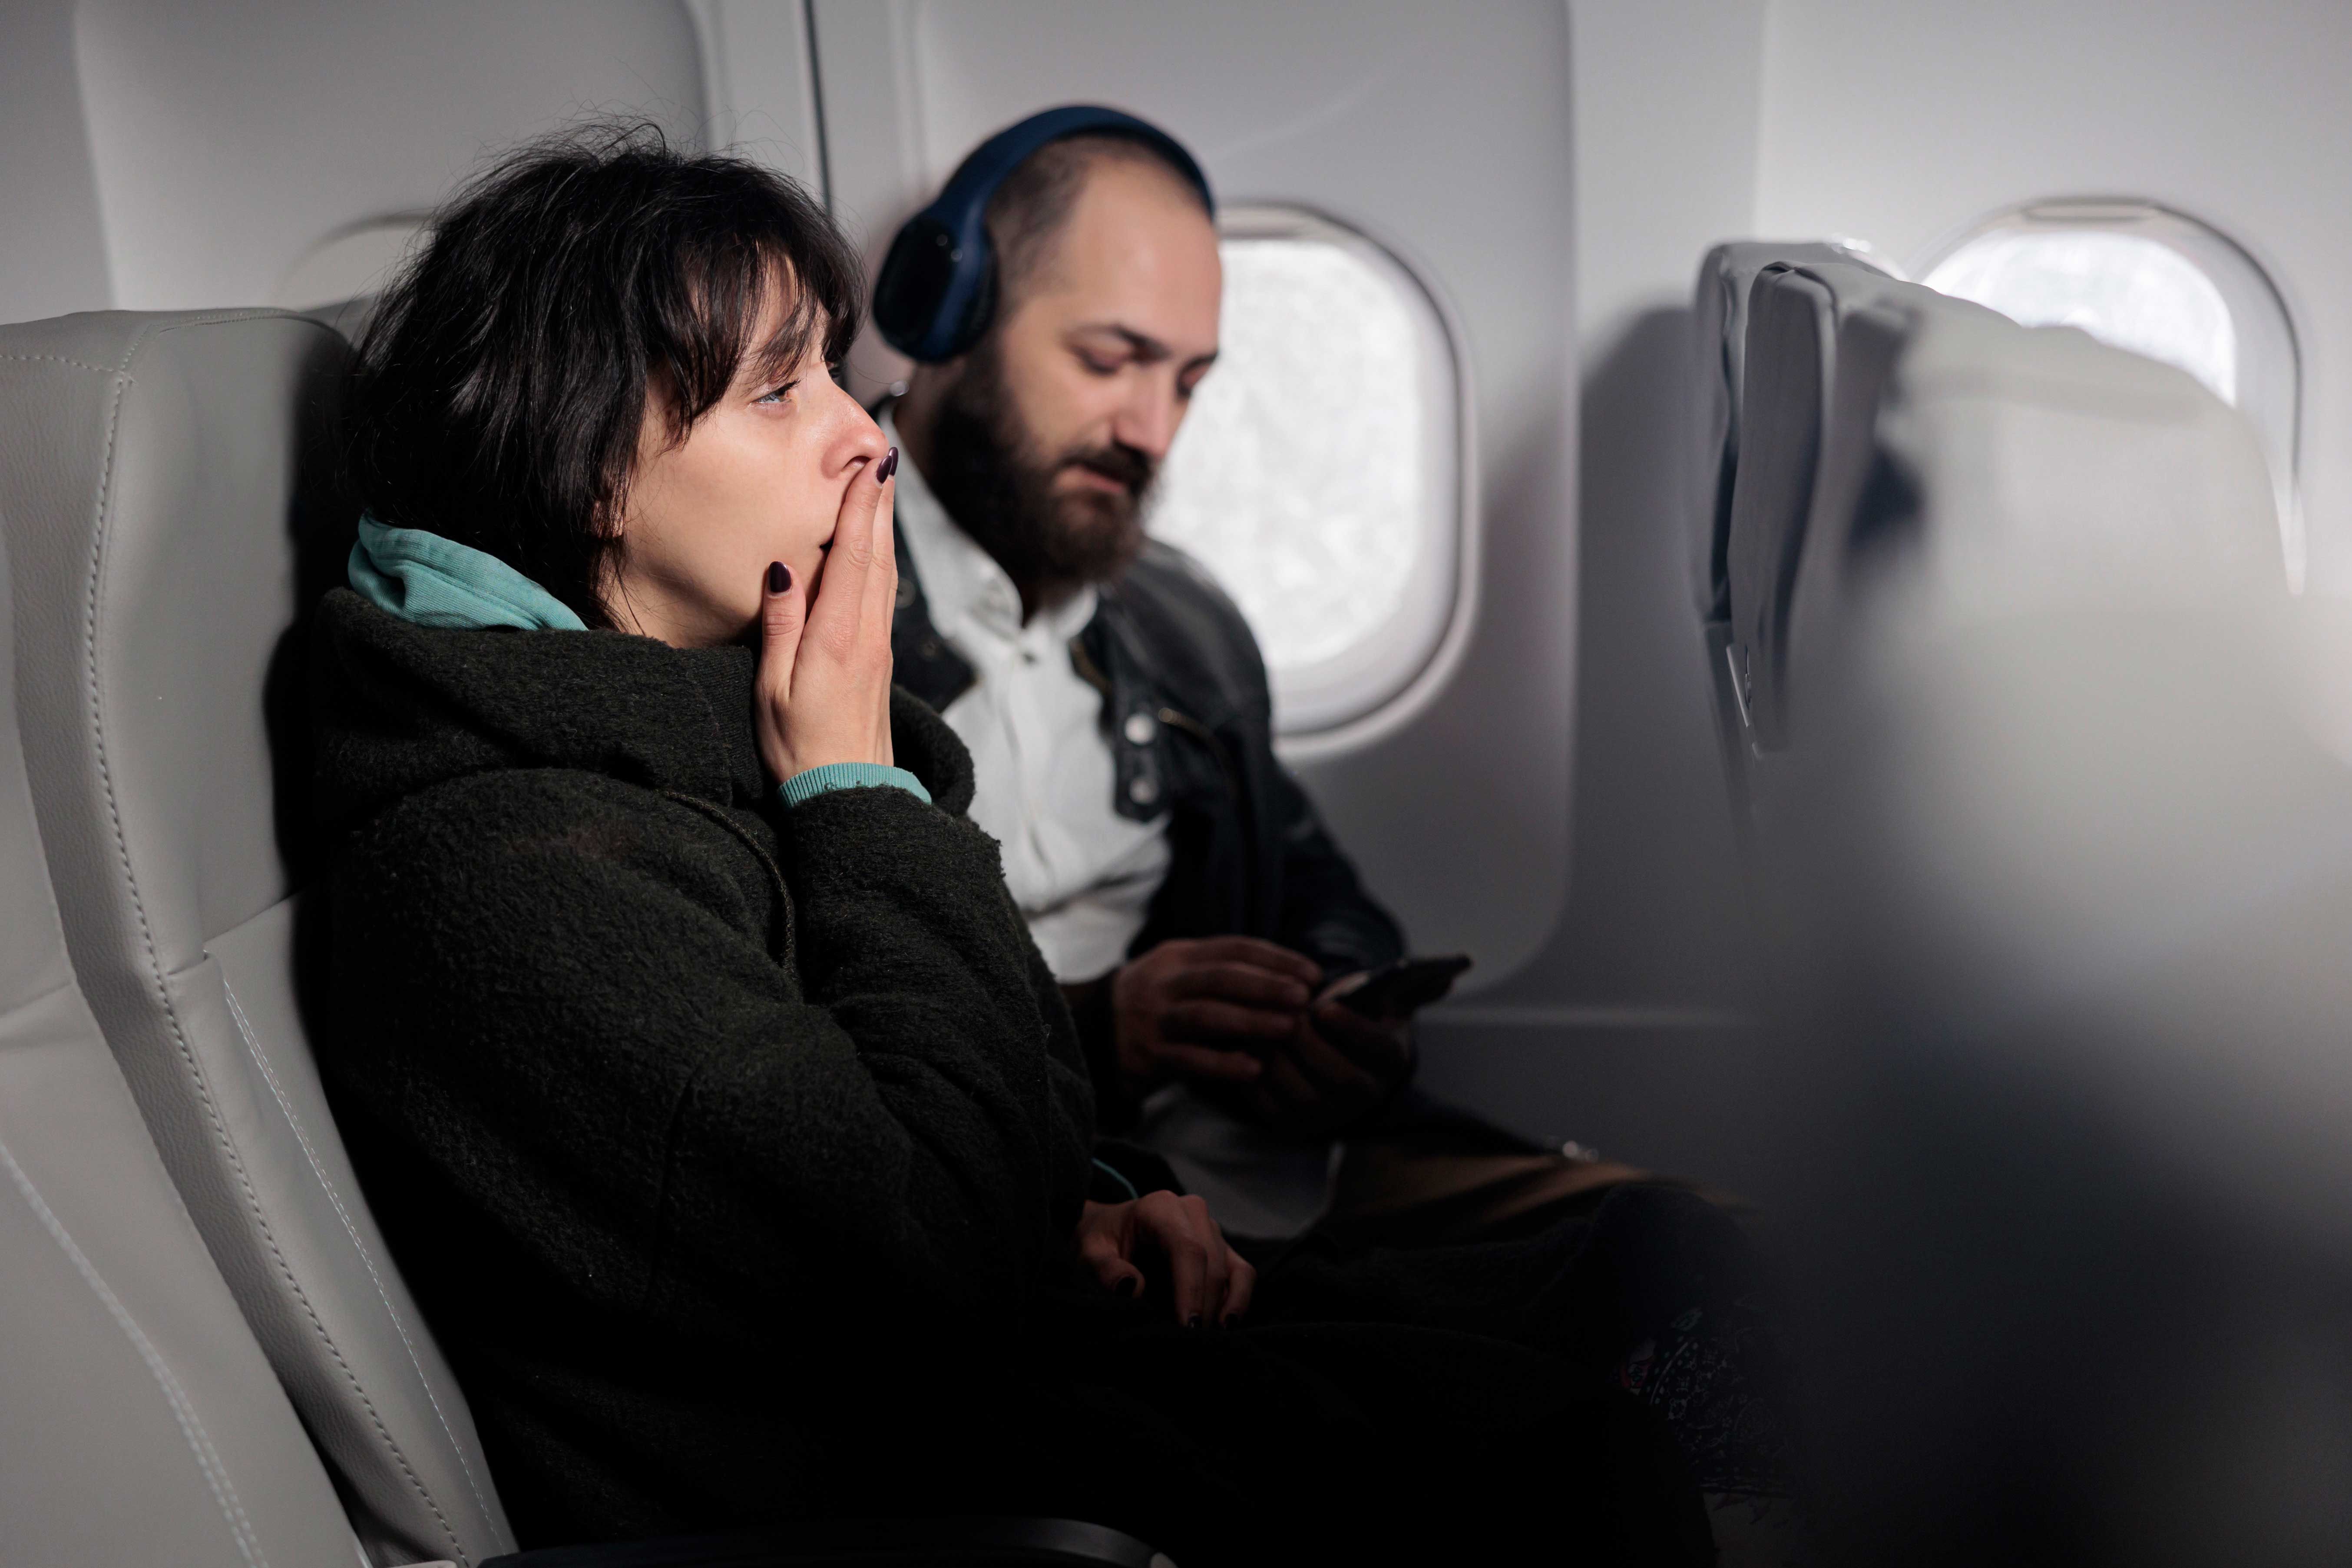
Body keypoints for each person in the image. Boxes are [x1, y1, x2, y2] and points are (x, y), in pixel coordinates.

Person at [309, 123, 1723, 1565]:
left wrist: (1097, 1201)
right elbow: (922, 1252)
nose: (860, 431)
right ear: (590, 461)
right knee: (1572, 1451)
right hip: (946, 1473)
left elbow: (924, 1158)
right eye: (782, 388)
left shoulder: (719, 722)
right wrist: (860, 786)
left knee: (1648, 1290)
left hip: (1047, 1316)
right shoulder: (519, 866)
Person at [877, 109, 1647, 1242]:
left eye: (1189, 380)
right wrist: (1099, 1029)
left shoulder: (1179, 622)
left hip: (1274, 1167)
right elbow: (790, 1009)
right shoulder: (803, 612)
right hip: (1050, 1212)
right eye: (1110, 359)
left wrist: (1345, 1015)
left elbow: (1306, 878)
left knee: (1691, 1249)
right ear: (953, 314)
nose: (1152, 430)